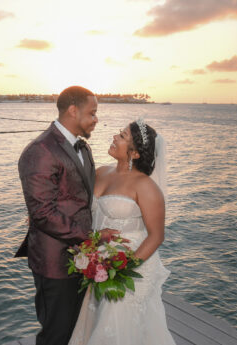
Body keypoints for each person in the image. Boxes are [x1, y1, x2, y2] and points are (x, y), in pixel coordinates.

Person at [15, 86, 119, 345]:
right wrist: (93, 236)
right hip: (55, 263)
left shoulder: (82, 148)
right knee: (56, 335)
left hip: (82, 257)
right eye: (92, 113)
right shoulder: (40, 150)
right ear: (73, 111)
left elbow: (82, 198)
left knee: (76, 329)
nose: (97, 119)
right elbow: (42, 213)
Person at [69, 119, 175, 345]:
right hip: (98, 262)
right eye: (119, 133)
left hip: (129, 266)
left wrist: (123, 269)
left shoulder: (146, 186)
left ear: (135, 153)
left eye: (123, 136)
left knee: (117, 328)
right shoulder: (100, 172)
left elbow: (157, 236)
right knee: (95, 321)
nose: (115, 137)